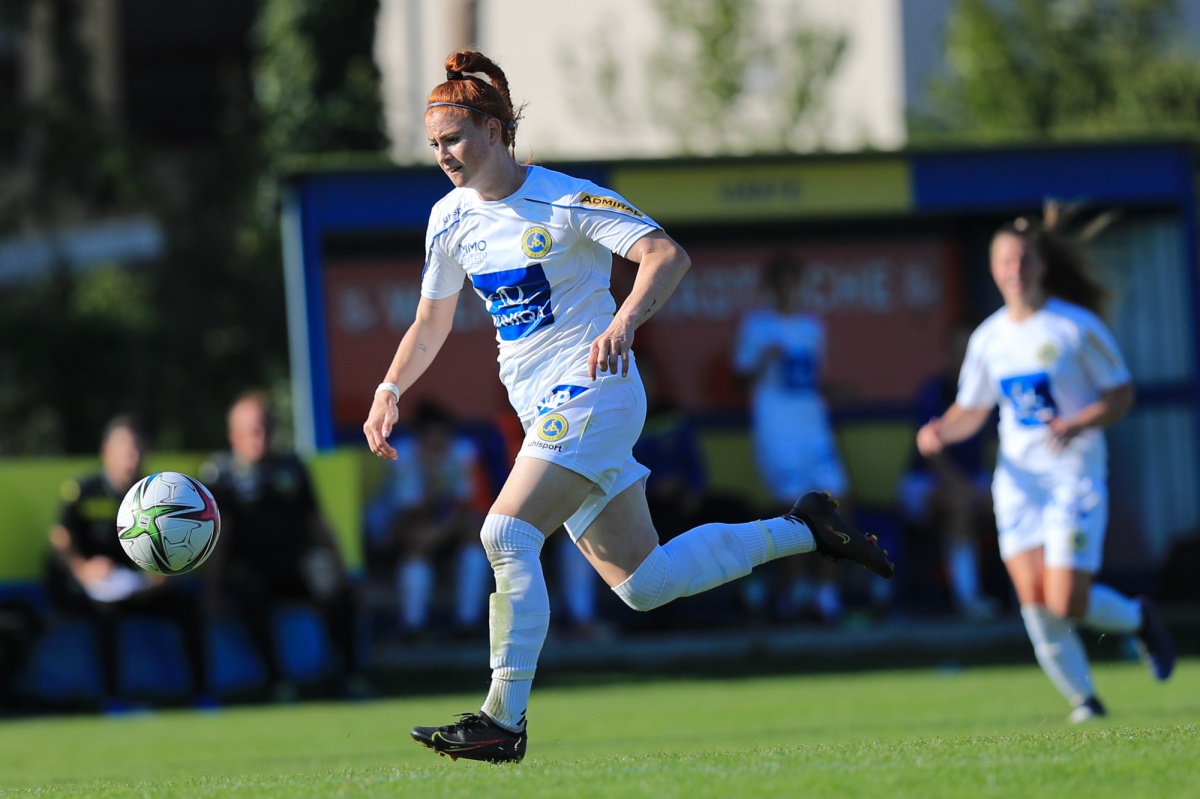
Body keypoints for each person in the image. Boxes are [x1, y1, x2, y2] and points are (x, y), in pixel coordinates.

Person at [362, 50, 893, 764]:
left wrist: (625, 320)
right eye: (434, 145)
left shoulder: (565, 199)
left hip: (594, 393)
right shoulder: (449, 219)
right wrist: (390, 388)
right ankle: (807, 529)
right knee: (646, 583)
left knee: (506, 533)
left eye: (453, 139)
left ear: (493, 130)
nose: (443, 156)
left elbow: (666, 256)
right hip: (548, 411)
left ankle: (502, 719)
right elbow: (430, 322)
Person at [915, 210, 1176, 724]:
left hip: (1073, 477)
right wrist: (940, 430)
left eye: (1025, 259)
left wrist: (1078, 422)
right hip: (1018, 484)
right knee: (1034, 603)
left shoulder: (1075, 326)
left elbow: (1121, 395)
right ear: (993, 269)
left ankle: (1139, 618)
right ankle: (1086, 702)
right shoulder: (988, 338)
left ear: (1041, 265)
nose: (1016, 270)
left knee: (1065, 600)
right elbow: (973, 409)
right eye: (1006, 261)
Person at [201, 391, 369, 702]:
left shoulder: (292, 466)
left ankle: (348, 675)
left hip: (297, 561)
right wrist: (212, 588)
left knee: (333, 583)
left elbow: (316, 521)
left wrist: (344, 569)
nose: (261, 436)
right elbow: (219, 537)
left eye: (266, 427)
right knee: (250, 590)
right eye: (253, 430)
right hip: (252, 567)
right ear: (234, 435)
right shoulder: (220, 474)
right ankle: (277, 682)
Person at [45, 414, 215, 712]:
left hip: (140, 587)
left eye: (137, 448)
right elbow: (61, 538)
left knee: (188, 608)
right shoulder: (85, 490)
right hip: (94, 589)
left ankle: (203, 696)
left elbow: (175, 546)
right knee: (107, 613)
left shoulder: (158, 494)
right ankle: (114, 700)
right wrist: (83, 569)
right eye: (124, 448)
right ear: (105, 452)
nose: (131, 456)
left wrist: (163, 578)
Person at [733, 251, 854, 624]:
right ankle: (793, 593)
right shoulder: (757, 326)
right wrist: (763, 358)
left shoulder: (812, 327)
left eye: (792, 282)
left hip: (813, 427)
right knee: (794, 512)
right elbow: (740, 381)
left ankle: (826, 594)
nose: (787, 290)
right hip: (776, 430)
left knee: (838, 502)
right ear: (770, 287)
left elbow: (811, 380)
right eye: (780, 283)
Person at [362, 397, 491, 638]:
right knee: (417, 545)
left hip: (439, 528)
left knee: (475, 541)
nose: (438, 442)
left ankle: (467, 623)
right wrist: (433, 481)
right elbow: (411, 514)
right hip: (390, 531)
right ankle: (413, 627)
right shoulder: (401, 455)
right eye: (431, 435)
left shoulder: (461, 451)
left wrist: (439, 533)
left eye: (443, 435)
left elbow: (466, 505)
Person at [897, 318, 999, 620]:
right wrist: (966, 490)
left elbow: (998, 448)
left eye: (970, 352)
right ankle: (968, 599)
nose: (964, 359)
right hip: (922, 482)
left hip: (974, 479)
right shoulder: (932, 391)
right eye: (958, 351)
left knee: (1010, 505)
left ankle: (1027, 598)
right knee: (958, 505)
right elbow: (932, 454)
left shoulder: (991, 393)